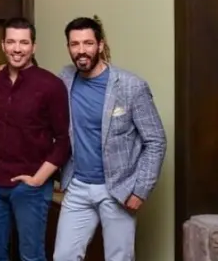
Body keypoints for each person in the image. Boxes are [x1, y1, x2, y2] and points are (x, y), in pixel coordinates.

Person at [52, 17, 166, 261]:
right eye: (74, 44)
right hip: (77, 187)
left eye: (88, 43)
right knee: (63, 256)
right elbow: (36, 86)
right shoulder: (64, 79)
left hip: (118, 189)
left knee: (119, 257)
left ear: (100, 45)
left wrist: (140, 190)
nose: (81, 50)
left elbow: (155, 141)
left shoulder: (131, 86)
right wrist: (8, 71)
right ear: (68, 47)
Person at [0, 17, 70, 261]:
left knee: (31, 256)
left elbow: (64, 140)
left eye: (23, 42)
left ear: (34, 46)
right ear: (3, 45)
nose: (17, 49)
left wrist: (38, 179)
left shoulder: (51, 85)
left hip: (31, 184)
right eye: (11, 42)